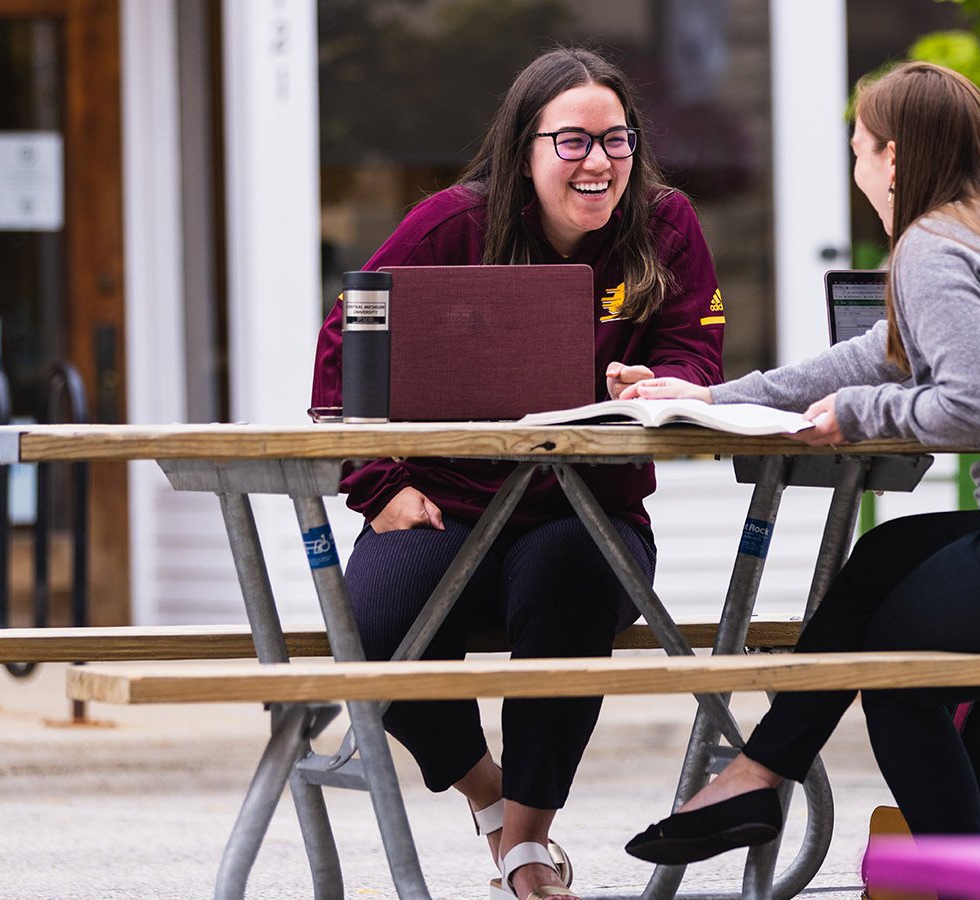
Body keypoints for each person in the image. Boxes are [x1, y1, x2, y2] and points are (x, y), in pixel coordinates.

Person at [619, 61, 980, 863]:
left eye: (858, 148)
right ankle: (756, 777)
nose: (855, 167)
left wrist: (856, 415)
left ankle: (966, 879)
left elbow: (977, 406)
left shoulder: (935, 246)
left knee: (896, 674)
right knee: (886, 553)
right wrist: (719, 397)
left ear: (893, 157)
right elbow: (883, 354)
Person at [309, 47, 725, 900]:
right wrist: (378, 485)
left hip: (586, 510)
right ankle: (491, 796)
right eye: (572, 142)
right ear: (522, 148)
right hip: (444, 503)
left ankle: (528, 844)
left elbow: (696, 354)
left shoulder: (669, 222)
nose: (599, 162)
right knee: (375, 626)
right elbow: (346, 352)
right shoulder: (447, 227)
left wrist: (663, 384)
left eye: (618, 140)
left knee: (573, 573)